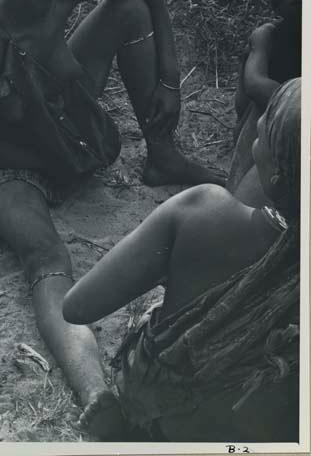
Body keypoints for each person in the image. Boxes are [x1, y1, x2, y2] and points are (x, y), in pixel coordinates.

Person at [0, 0, 223, 438]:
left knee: (128, 9)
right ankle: (95, 391)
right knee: (46, 255)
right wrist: (61, 160)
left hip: (53, 114)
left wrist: (168, 77)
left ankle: (163, 155)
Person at [64, 78, 300, 441]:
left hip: (169, 417)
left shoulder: (204, 208)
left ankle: (130, 429)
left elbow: (77, 307)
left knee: (155, 307)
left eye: (268, 119)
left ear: (276, 168)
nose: (260, 121)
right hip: (266, 432)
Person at [227, 0, 301, 207]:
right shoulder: (268, 37)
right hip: (258, 137)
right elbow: (255, 86)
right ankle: (239, 203)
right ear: (276, 5)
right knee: (266, 106)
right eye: (298, 3)